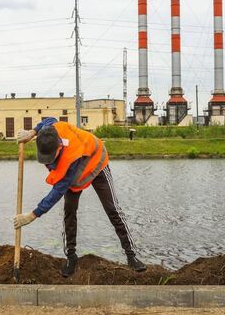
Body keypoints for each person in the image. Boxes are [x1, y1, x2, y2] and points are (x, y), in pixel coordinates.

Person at [13, 117, 146, 277]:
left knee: (112, 209)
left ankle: (131, 256)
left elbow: (56, 192)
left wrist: (33, 215)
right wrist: (32, 132)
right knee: (69, 212)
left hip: (97, 163)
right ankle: (71, 256)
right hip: (75, 173)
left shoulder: (71, 158)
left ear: (59, 146)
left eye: (51, 157)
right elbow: (48, 120)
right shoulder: (51, 129)